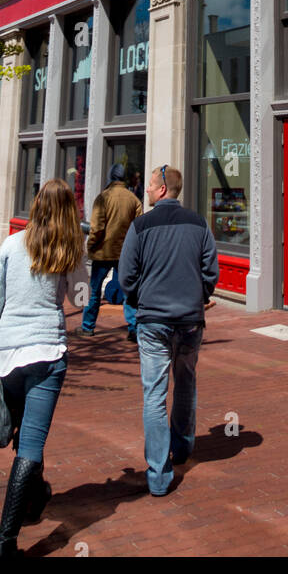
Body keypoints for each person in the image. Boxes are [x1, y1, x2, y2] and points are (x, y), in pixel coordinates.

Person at [0, 177, 89, 557]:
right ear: (68, 212)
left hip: (10, 352)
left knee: (25, 433)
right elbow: (81, 299)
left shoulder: (12, 244)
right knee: (30, 442)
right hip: (47, 352)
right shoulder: (68, 250)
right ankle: (5, 541)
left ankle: (33, 497)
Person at [118, 164, 219, 496]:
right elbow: (210, 270)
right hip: (190, 321)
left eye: (149, 186)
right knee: (186, 382)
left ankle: (159, 472)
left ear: (162, 189)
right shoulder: (199, 223)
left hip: (154, 322)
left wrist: (138, 299)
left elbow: (126, 277)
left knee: (155, 394)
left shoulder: (141, 225)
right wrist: (200, 296)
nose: (145, 191)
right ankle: (183, 446)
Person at [81, 163, 142, 339]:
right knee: (129, 291)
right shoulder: (133, 199)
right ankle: (133, 328)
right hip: (125, 253)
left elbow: (97, 227)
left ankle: (87, 327)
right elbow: (138, 228)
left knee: (93, 291)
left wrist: (91, 245)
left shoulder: (103, 198)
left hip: (103, 252)